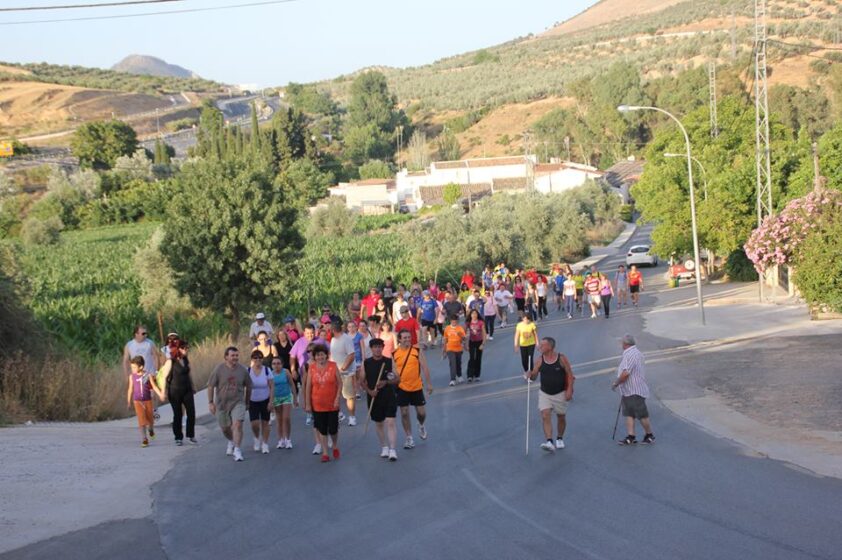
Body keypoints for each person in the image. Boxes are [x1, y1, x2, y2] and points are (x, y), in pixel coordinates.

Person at [527, 337, 575, 452]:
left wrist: (569, 390)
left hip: (560, 393)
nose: (539, 347)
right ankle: (549, 441)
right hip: (545, 393)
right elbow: (534, 377)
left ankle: (559, 438)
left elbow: (569, 374)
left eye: (542, 345)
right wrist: (530, 375)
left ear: (550, 347)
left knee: (561, 417)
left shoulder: (561, 359)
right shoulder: (539, 360)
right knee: (545, 415)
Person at [207, 347, 251, 462]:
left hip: (238, 402)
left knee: (237, 425)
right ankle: (231, 440)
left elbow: (249, 386)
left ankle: (237, 450)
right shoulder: (219, 369)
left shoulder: (243, 370)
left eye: (237, 355)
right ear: (226, 357)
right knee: (225, 428)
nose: (235, 358)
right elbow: (211, 386)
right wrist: (211, 402)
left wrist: (247, 402)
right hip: (222, 403)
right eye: (233, 355)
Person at [612, 334, 655, 445]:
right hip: (629, 390)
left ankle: (649, 435)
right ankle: (631, 436)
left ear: (625, 344)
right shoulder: (636, 353)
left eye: (621, 342)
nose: (621, 344)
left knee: (641, 414)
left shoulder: (631, 354)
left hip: (635, 390)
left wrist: (616, 383)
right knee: (629, 413)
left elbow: (626, 373)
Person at [394, 329, 433, 449]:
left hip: (416, 386)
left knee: (421, 413)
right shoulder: (394, 354)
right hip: (402, 387)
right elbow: (393, 372)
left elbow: (425, 367)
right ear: (399, 339)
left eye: (408, 337)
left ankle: (421, 425)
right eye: (404, 338)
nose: (407, 340)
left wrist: (429, 384)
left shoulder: (417, 350)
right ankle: (409, 438)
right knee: (404, 413)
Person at [304, 343, 342, 462]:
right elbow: (308, 386)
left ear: (326, 355)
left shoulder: (333, 366)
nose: (320, 357)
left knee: (333, 429)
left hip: (332, 403)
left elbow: (340, 383)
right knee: (322, 429)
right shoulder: (311, 368)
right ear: (314, 357)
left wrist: (337, 398)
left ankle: (334, 445)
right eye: (318, 355)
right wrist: (308, 403)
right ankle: (325, 452)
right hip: (317, 404)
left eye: (322, 355)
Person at [362, 338, 400, 461]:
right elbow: (361, 381)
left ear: (382, 348)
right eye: (375, 347)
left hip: (389, 395)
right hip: (374, 397)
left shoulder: (389, 361)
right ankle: (384, 446)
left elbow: (397, 379)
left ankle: (393, 449)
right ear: (371, 349)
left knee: (390, 421)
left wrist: (386, 382)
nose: (377, 349)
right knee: (379, 423)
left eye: (379, 347)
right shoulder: (366, 363)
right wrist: (370, 391)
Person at [158, 338, 196, 446]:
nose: (186, 350)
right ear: (178, 349)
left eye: (186, 348)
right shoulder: (171, 361)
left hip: (187, 389)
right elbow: (164, 376)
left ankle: (190, 435)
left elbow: (188, 374)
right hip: (175, 391)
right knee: (178, 414)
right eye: (183, 348)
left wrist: (193, 386)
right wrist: (162, 392)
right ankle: (178, 437)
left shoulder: (185, 359)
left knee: (191, 412)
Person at [126, 355, 161, 447]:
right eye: (131, 367)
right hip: (137, 401)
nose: (132, 369)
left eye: (134, 367)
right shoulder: (131, 377)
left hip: (147, 400)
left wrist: (160, 394)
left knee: (150, 420)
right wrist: (128, 401)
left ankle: (151, 430)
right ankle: (144, 439)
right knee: (141, 421)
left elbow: (153, 386)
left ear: (141, 367)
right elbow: (130, 389)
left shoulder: (147, 375)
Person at [330, 320, 358, 427]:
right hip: (335, 371)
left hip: (346, 372)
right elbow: (332, 355)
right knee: (335, 394)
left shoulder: (346, 339)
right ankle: (339, 414)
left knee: (349, 395)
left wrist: (343, 368)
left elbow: (351, 355)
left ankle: (352, 417)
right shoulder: (333, 340)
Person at [247, 350, 273, 454]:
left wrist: (271, 401)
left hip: (265, 399)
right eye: (255, 358)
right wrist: (245, 401)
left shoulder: (267, 370)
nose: (258, 360)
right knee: (255, 423)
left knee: (265, 422)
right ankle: (257, 438)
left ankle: (265, 444)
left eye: (260, 358)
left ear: (262, 359)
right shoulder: (248, 371)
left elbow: (272, 386)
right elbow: (245, 387)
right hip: (252, 400)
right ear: (252, 359)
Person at [270, 355, 297, 449]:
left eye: (278, 363)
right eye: (274, 364)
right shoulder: (270, 374)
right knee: (279, 419)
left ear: (282, 364)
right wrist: (270, 401)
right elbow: (269, 388)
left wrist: (295, 398)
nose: (276, 366)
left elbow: (292, 384)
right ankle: (280, 440)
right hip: (276, 398)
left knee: (286, 418)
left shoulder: (286, 372)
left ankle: (288, 439)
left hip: (286, 396)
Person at [442, 314, 466, 386]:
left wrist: (460, 335)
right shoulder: (447, 328)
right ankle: (453, 379)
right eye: (453, 321)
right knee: (453, 363)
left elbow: (464, 339)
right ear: (450, 321)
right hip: (450, 348)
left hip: (458, 348)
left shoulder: (460, 328)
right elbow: (445, 340)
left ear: (457, 321)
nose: (454, 322)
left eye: (455, 321)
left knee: (458, 363)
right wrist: (444, 350)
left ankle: (459, 375)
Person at [466, 308, 487, 383]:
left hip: (479, 341)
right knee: (472, 358)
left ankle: (477, 375)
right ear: (470, 315)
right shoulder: (468, 323)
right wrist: (466, 345)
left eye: (475, 314)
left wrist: (483, 344)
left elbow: (484, 333)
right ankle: (470, 375)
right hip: (471, 342)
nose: (474, 315)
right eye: (472, 314)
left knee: (478, 358)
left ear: (477, 315)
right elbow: (465, 334)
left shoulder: (481, 322)